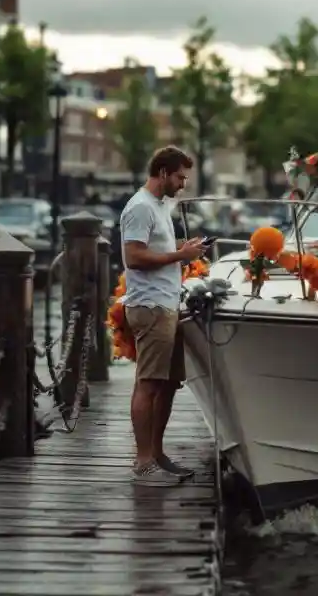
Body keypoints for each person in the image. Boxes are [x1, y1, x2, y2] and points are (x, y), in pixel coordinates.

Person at [119, 146, 205, 482]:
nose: (183, 184)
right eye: (180, 177)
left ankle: (157, 453)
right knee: (149, 384)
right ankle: (143, 461)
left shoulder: (157, 206)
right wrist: (179, 255)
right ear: (164, 172)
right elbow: (134, 257)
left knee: (168, 383)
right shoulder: (140, 207)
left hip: (166, 304)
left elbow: (154, 251)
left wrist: (184, 251)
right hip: (151, 306)